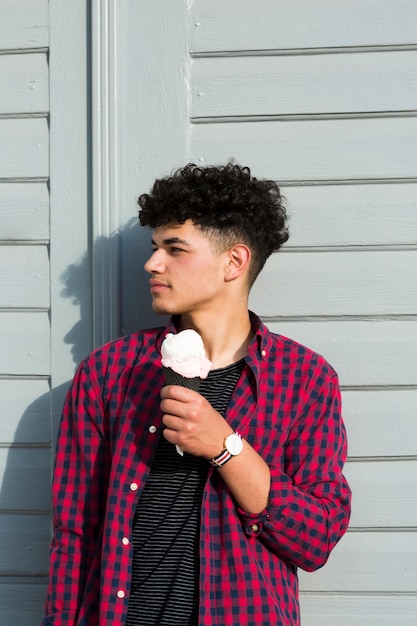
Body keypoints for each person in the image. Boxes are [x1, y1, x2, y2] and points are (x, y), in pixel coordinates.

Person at [42, 162, 351, 626]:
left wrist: (226, 448)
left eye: (174, 248)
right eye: (154, 247)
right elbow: (75, 532)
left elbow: (315, 539)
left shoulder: (304, 379)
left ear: (234, 262)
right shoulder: (109, 373)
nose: (152, 263)